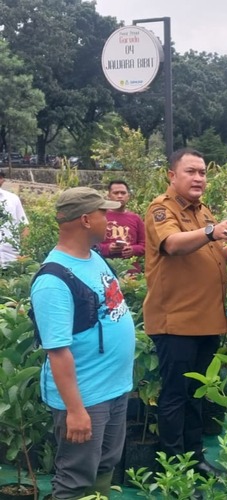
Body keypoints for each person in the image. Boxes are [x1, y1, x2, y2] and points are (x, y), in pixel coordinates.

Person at [143, 148, 227, 476]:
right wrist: (210, 232)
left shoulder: (203, 211)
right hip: (176, 322)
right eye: (190, 171)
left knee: (196, 394)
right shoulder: (162, 209)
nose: (199, 178)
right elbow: (173, 244)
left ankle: (194, 457)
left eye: (202, 172)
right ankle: (174, 468)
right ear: (172, 175)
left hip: (206, 322)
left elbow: (213, 259)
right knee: (176, 395)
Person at [31, 187, 135, 499]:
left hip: (114, 388)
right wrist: (75, 411)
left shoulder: (93, 258)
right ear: (86, 220)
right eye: (104, 213)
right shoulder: (53, 280)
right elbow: (58, 352)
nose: (110, 219)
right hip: (86, 396)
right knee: (75, 477)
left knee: (105, 465)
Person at [97, 180, 145, 271]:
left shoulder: (136, 218)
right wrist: (107, 248)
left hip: (131, 273)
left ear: (128, 196)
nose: (119, 196)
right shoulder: (100, 216)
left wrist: (133, 249)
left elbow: (145, 244)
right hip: (105, 270)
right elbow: (90, 244)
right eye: (116, 193)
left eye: (123, 193)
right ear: (109, 195)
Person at [0, 171, 29, 267]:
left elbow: (23, 225)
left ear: (2, 180)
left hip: (12, 260)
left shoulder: (12, 199)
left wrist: (25, 252)